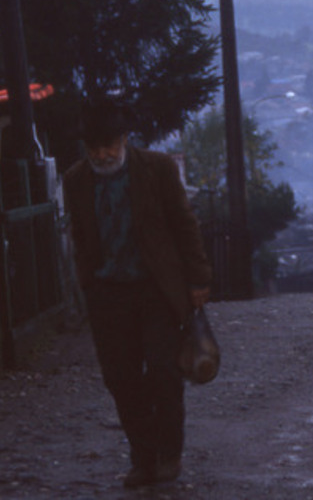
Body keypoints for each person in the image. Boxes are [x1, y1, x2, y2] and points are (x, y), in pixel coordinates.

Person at [63, 100, 212, 488]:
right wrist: (87, 281)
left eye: (109, 145)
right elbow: (79, 233)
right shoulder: (76, 180)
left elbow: (184, 223)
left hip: (155, 291)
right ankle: (143, 459)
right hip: (108, 293)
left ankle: (169, 451)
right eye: (94, 147)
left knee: (164, 371)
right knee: (121, 378)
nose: (102, 154)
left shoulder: (157, 169)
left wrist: (197, 280)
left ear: (124, 139)